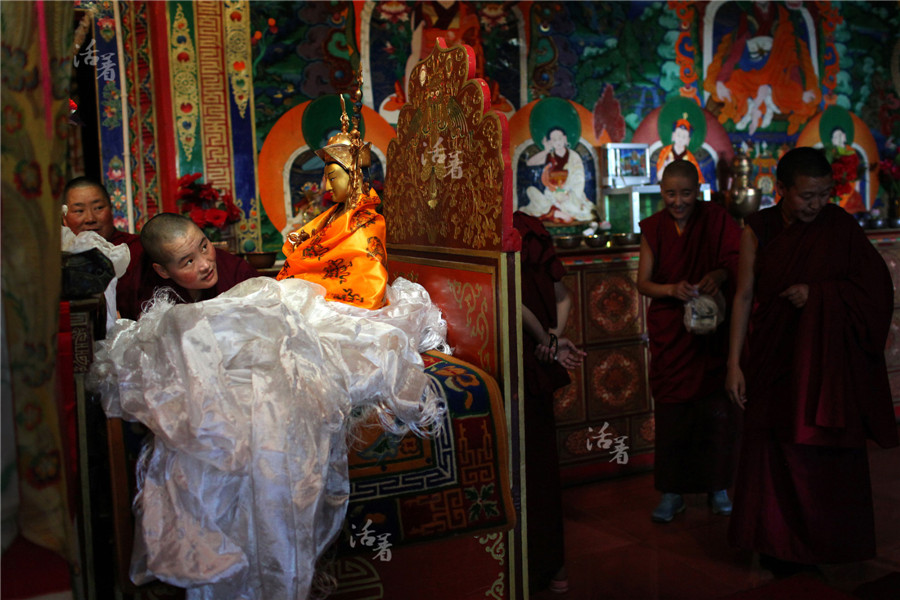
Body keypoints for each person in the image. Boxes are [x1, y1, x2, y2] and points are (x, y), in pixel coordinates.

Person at [725, 147, 899, 574]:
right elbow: (744, 296)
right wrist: (734, 363)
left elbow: (876, 292)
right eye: (807, 196)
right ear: (781, 190)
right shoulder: (757, 229)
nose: (816, 205)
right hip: (774, 355)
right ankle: (774, 543)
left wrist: (818, 294)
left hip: (825, 366)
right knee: (773, 452)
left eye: (824, 194)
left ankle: (823, 542)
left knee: (819, 455)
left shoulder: (840, 226)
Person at [637, 160, 741, 523]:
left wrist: (719, 272)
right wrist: (672, 289)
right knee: (673, 416)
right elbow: (643, 282)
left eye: (685, 194)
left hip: (711, 334)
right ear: (661, 192)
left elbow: (737, 261)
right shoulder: (654, 228)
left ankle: (718, 487)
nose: (677, 201)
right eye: (670, 194)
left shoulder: (716, 219)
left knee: (715, 413)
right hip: (672, 333)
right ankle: (672, 492)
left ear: (698, 191)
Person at [515, 210, 586, 594]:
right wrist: (552, 338)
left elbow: (511, 299)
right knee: (538, 464)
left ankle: (541, 564)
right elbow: (562, 295)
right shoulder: (527, 228)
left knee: (532, 464)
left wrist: (549, 338)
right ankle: (551, 565)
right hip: (528, 353)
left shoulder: (522, 230)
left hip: (521, 356)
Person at [276, 110, 388, 310]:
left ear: (354, 176)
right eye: (326, 179)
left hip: (348, 309)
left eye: (333, 178)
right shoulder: (333, 215)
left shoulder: (369, 223)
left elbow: (367, 281)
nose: (327, 187)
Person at [115, 213, 259, 320]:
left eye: (204, 247)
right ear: (163, 271)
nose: (205, 265)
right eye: (189, 262)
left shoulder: (237, 271)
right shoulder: (143, 292)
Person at [522, 127, 596, 224]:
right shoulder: (549, 155)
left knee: (579, 208)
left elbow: (579, 179)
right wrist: (546, 150)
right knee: (530, 191)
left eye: (560, 138)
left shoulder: (574, 157)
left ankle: (554, 211)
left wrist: (566, 194)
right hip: (551, 195)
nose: (558, 142)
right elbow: (529, 163)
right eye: (554, 139)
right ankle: (556, 211)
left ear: (565, 139)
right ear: (550, 142)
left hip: (569, 195)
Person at [62, 176, 137, 245]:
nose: (90, 219)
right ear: (64, 219)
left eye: (98, 208)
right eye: (79, 211)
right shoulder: (56, 255)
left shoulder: (136, 247)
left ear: (111, 210)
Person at [655, 115, 704, 184]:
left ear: (688, 140)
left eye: (684, 137)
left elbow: (697, 179)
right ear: (673, 135)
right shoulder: (665, 152)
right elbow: (659, 177)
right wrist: (666, 166)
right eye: (678, 135)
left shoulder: (690, 158)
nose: (680, 139)